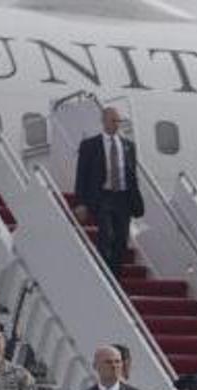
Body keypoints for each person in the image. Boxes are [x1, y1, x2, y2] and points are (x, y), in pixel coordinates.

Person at [73, 107, 144, 269]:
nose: (117, 124)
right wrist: (80, 202)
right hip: (102, 197)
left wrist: (135, 199)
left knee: (121, 240)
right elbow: (81, 174)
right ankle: (103, 271)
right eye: (113, 121)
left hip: (123, 198)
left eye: (118, 121)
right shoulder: (90, 145)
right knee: (106, 234)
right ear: (104, 121)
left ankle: (114, 275)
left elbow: (132, 174)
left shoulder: (128, 146)